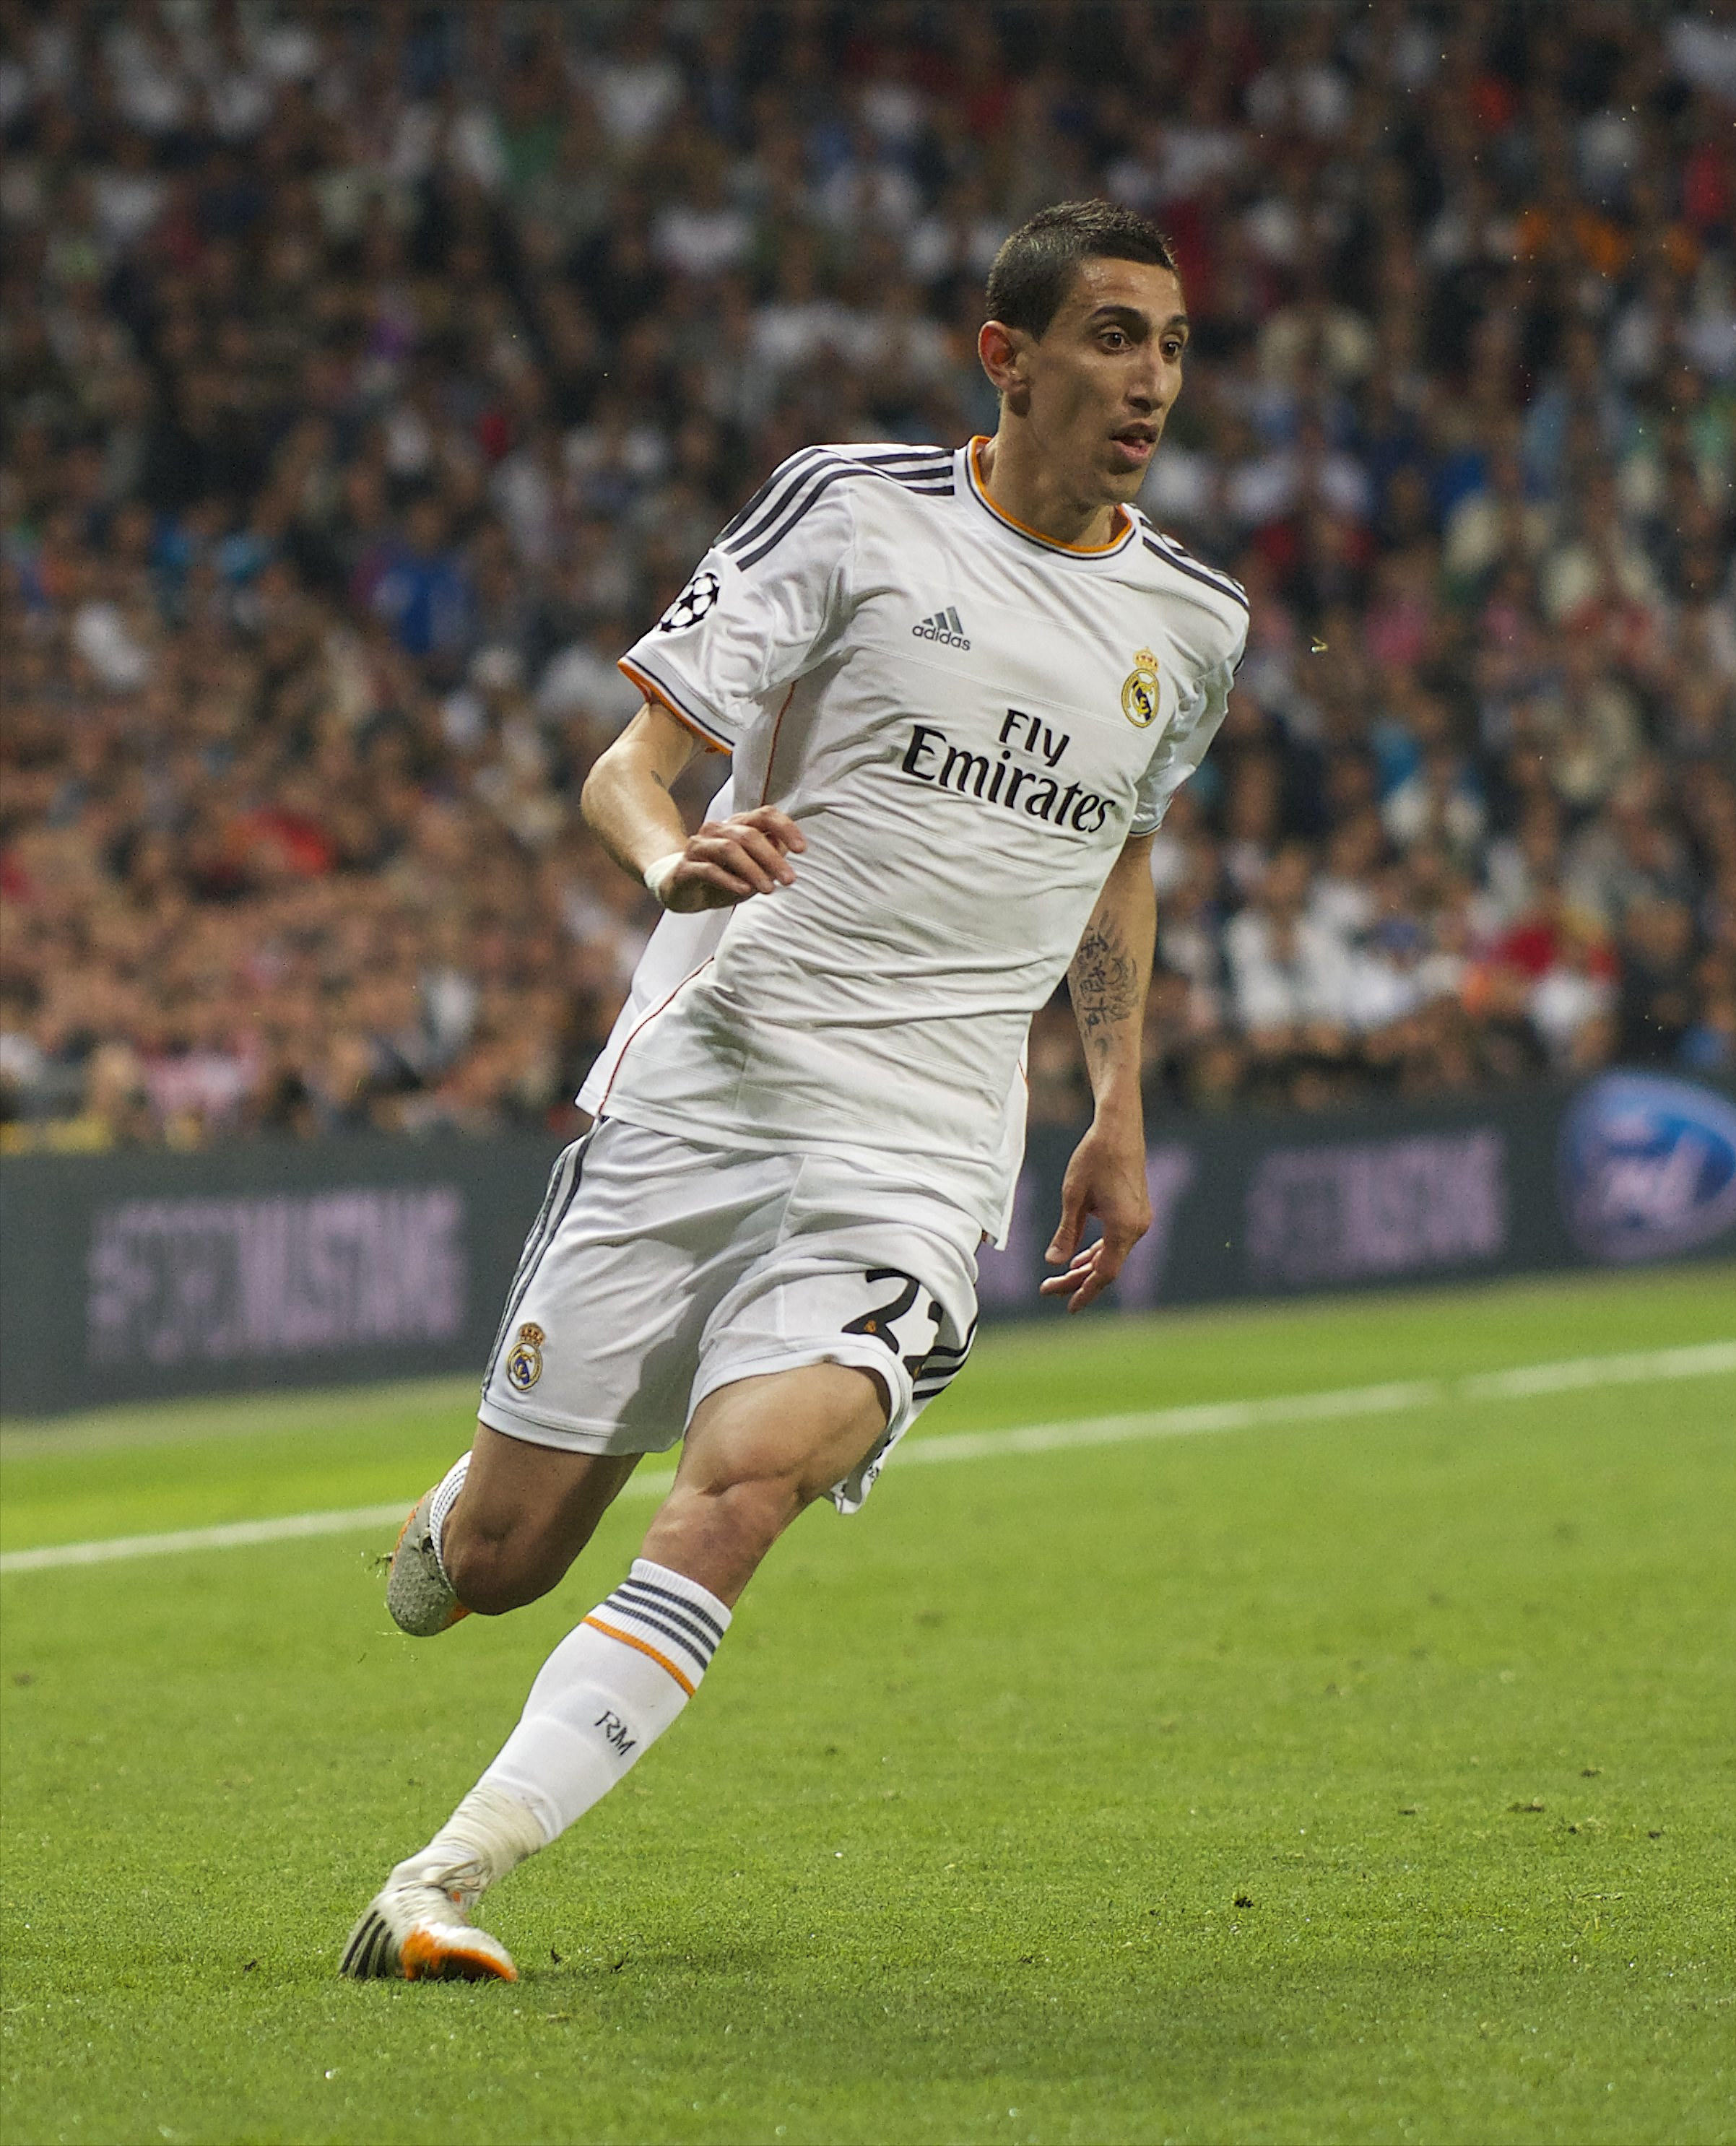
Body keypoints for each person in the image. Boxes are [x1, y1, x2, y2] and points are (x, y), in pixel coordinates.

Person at [339, 201, 1246, 1983]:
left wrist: (1117, 1102)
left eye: (1172, 344)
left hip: (921, 1144)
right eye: (1113, 337)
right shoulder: (850, 508)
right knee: (510, 1560)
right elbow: (629, 763)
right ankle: (457, 1514)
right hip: (716, 1080)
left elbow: (1120, 854)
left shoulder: (1193, 617)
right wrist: (671, 856)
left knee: (747, 1479)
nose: (1150, 379)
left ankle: (442, 1878)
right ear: (1008, 354)